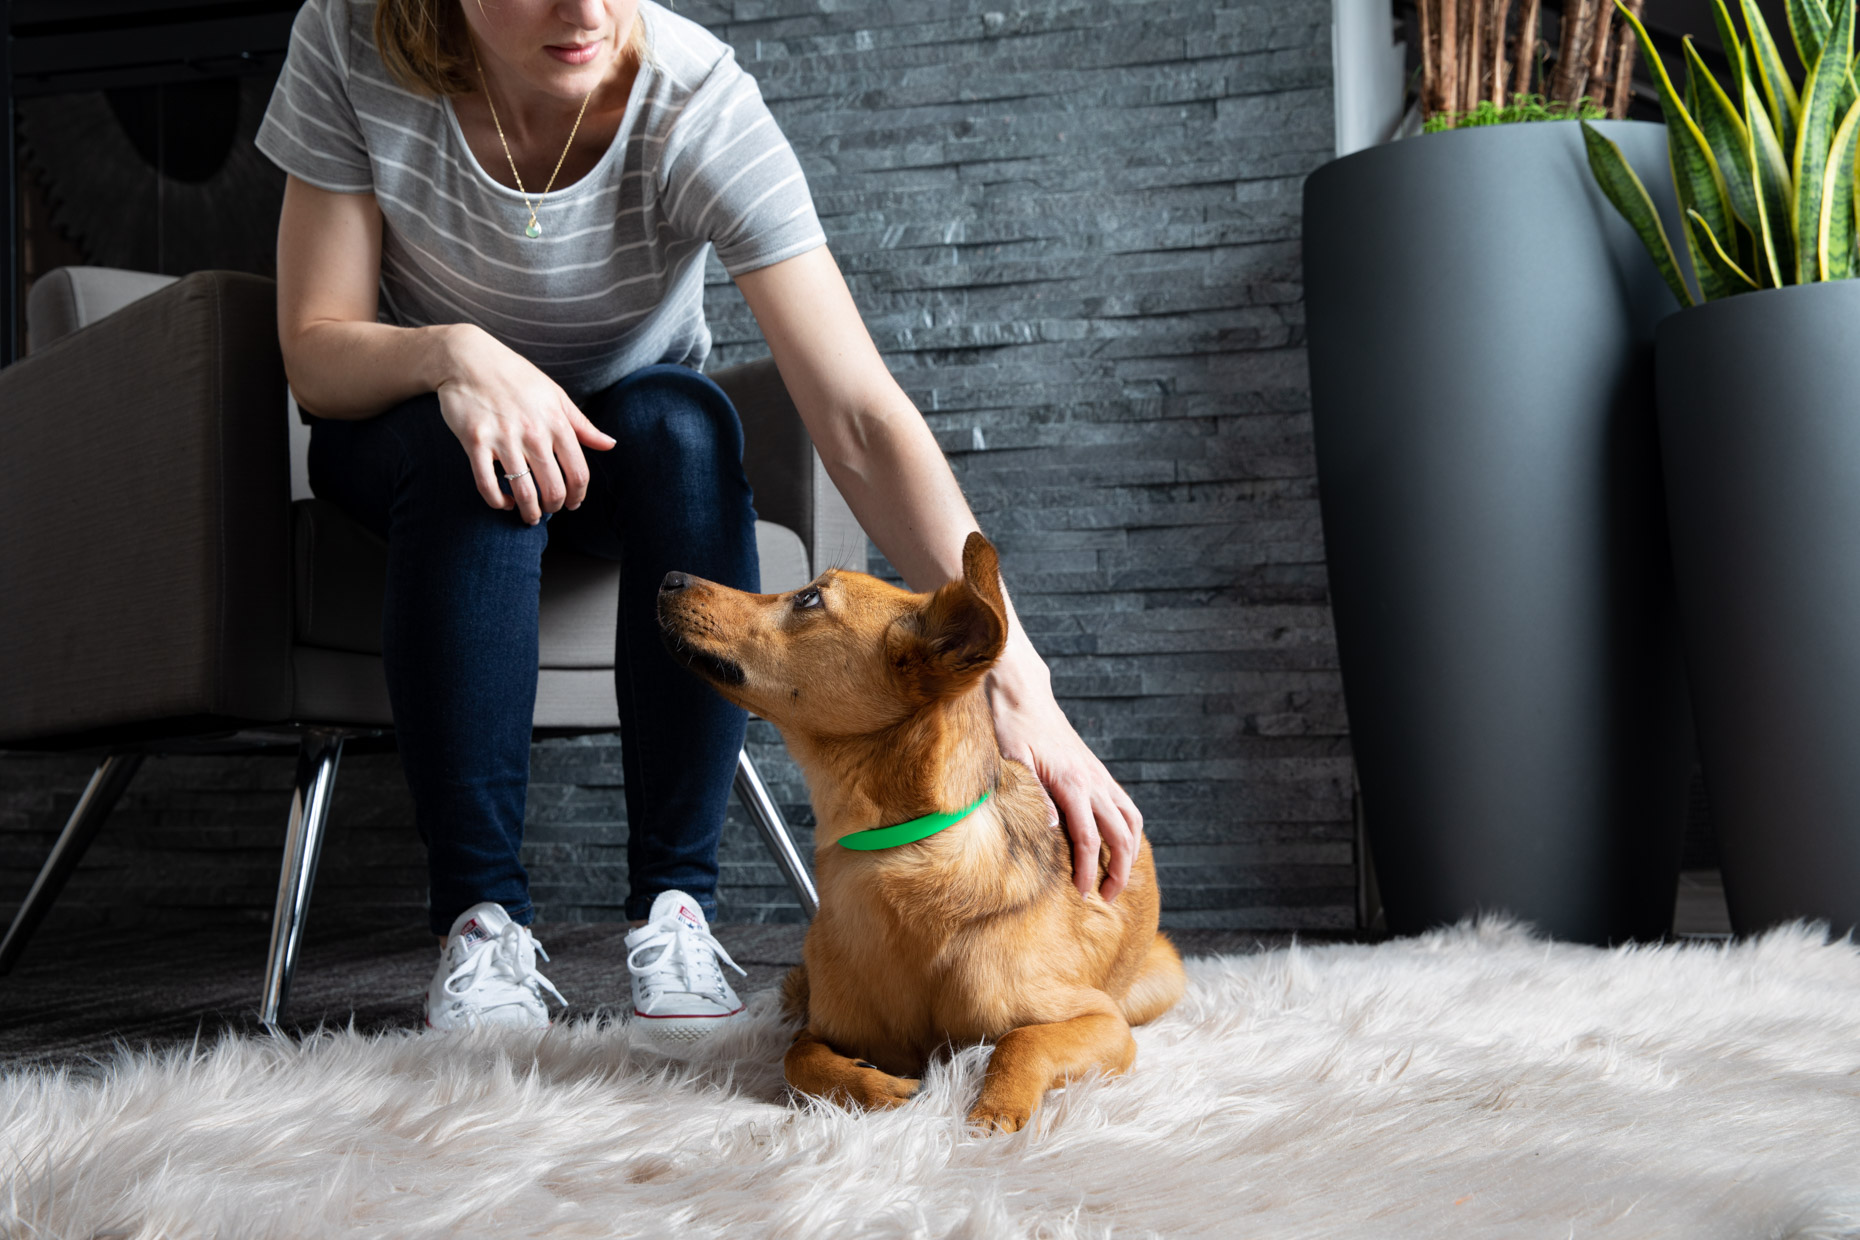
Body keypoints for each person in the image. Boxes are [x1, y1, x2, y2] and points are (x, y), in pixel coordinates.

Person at [257, 0, 1145, 1042]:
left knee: (684, 421)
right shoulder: (350, 38)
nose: (587, 12)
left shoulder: (695, 102)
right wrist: (455, 356)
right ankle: (479, 922)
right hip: (415, 429)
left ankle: (675, 909)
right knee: (471, 463)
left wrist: (1020, 681)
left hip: (623, 446)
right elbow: (315, 345)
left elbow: (857, 417)